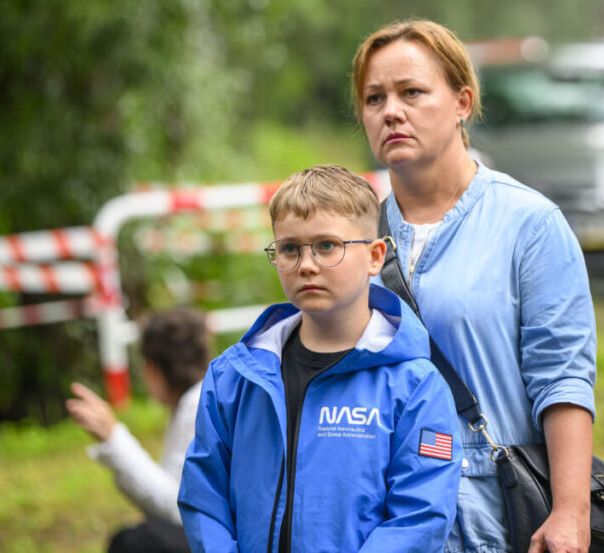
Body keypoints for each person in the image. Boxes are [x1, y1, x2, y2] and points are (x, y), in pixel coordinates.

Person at [351, 19, 597, 552]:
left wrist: (571, 512)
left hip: (497, 519)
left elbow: (564, 378)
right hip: (385, 520)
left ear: (462, 102)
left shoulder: (529, 223)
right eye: (375, 98)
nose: (391, 110)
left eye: (412, 92)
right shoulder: (354, 239)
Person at [178, 164, 462, 552]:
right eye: (290, 248)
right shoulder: (233, 377)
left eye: (327, 245)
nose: (306, 264)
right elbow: (204, 499)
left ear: (375, 256)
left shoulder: (416, 386)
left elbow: (420, 516)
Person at [66, 307, 209, 553]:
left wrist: (113, 439)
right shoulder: (195, 400)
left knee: (136, 541)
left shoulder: (197, 404)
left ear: (154, 368)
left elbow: (177, 507)